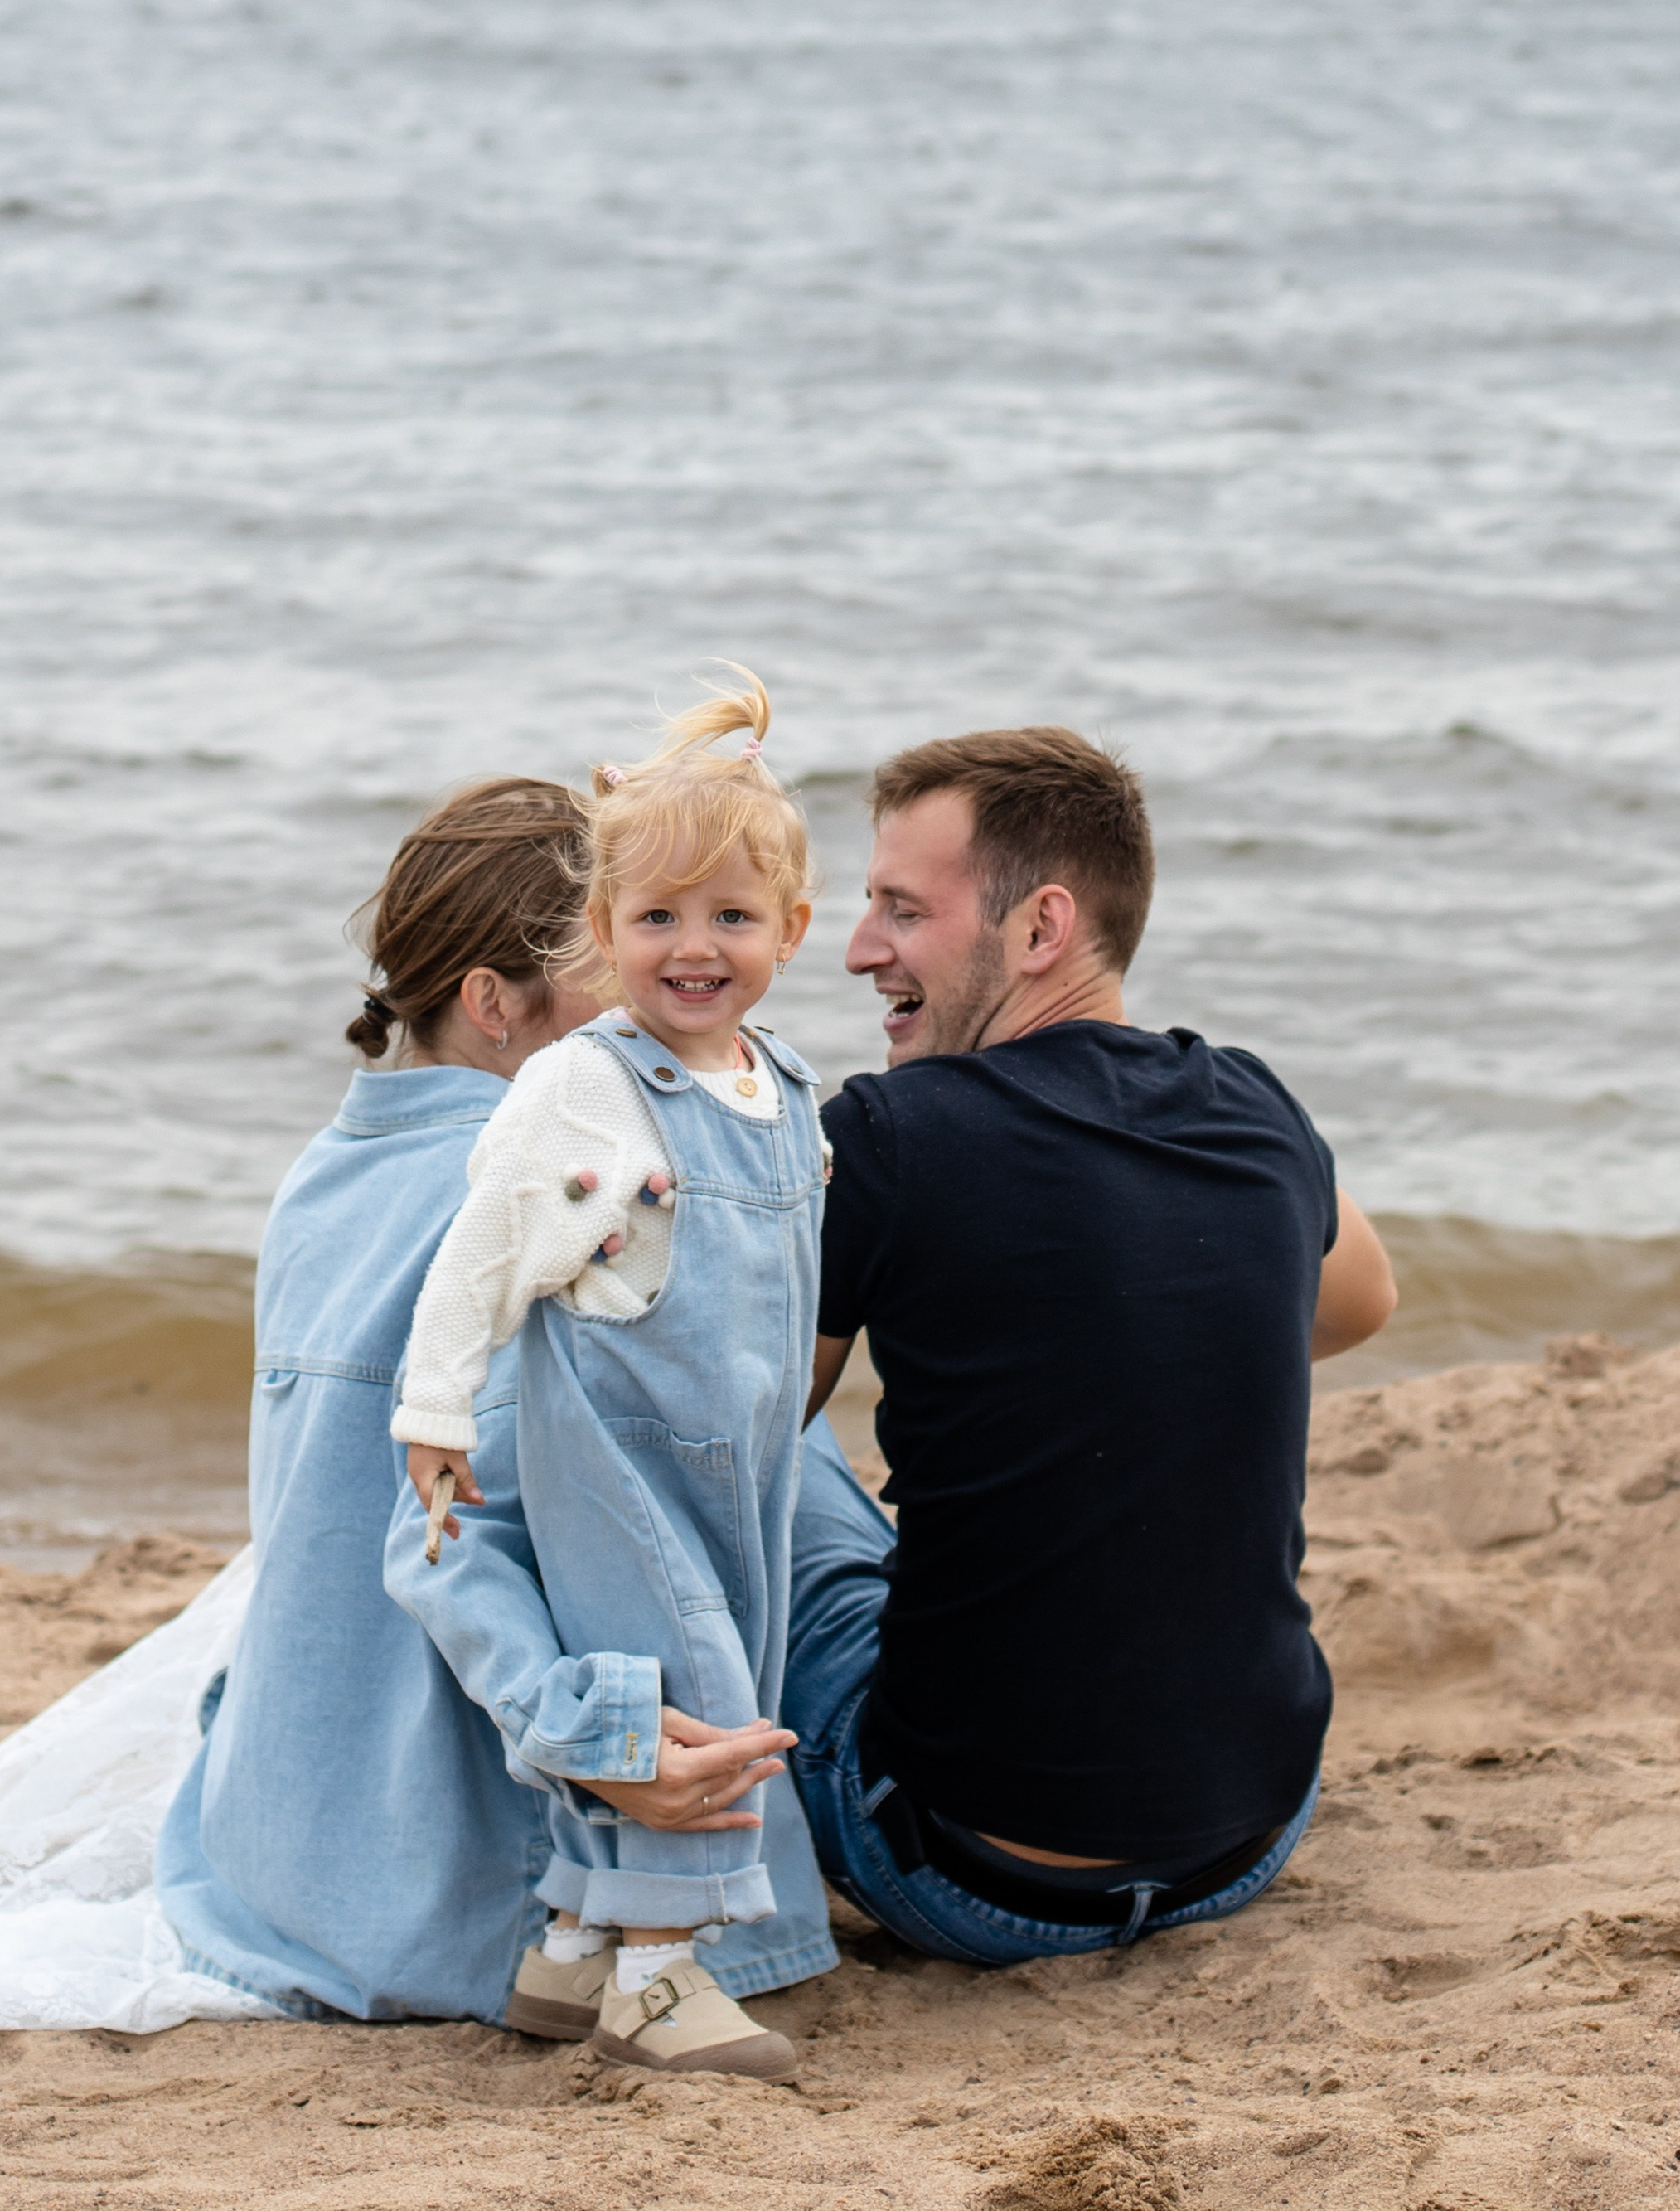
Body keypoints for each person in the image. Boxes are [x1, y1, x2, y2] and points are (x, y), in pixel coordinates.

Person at [157, 769, 840, 2025]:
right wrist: (607, 1744)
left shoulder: (324, 1176)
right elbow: (444, 1540)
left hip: (281, 1832)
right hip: (470, 1885)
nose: (650, 984)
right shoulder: (543, 1201)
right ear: (493, 1004)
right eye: (616, 946)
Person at [790, 725, 1397, 1966]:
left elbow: (719, 1440)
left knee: (788, 1477)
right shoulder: (1252, 1104)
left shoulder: (889, 1136)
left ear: (1041, 928)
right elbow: (1358, 1305)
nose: (858, 949)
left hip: (968, 1863)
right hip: (1246, 1834)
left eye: (902, 909)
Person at [391, 675, 829, 2079]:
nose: (694, 948)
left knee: (725, 1651)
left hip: (740, 1455)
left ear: (792, 929)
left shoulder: (782, 1082)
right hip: (623, 1450)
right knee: (689, 1688)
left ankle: (572, 1944)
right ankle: (657, 1975)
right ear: (602, 928)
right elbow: (479, 1249)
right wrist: (433, 1412)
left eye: (731, 918)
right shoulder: (585, 1083)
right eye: (657, 919)